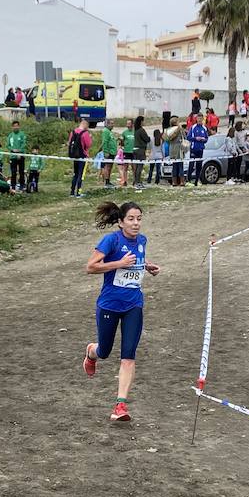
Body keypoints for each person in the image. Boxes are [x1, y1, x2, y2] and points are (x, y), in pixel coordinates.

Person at [82, 200, 160, 423]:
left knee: (128, 356)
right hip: (109, 305)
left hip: (134, 305)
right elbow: (90, 267)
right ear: (120, 222)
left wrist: (146, 266)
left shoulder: (142, 240)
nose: (136, 223)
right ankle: (91, 352)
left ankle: (120, 405)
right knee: (104, 351)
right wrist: (119, 263)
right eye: (131, 219)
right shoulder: (111, 240)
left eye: (139, 219)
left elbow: (135, 260)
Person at [68, 118, 91, 197]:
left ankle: (72, 191)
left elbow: (69, 142)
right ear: (85, 125)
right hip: (82, 155)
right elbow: (88, 144)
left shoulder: (73, 132)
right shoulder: (85, 133)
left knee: (75, 173)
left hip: (74, 155)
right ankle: (78, 192)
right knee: (81, 174)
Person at [186, 117, 209, 185]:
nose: (199, 120)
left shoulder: (204, 128)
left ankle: (197, 180)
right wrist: (196, 138)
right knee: (191, 165)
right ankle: (188, 180)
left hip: (200, 149)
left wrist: (203, 139)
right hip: (193, 149)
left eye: (201, 119)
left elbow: (206, 138)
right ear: (196, 119)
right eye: (198, 119)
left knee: (199, 165)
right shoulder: (193, 127)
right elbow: (188, 137)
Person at [6, 120, 27, 191]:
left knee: (21, 172)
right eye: (14, 126)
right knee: (13, 172)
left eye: (17, 126)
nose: (16, 127)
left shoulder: (22, 134)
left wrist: (19, 151)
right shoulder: (10, 135)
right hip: (13, 156)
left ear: (19, 126)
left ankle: (22, 185)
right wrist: (13, 150)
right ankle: (13, 186)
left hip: (21, 155)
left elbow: (24, 144)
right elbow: (7, 145)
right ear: (12, 127)